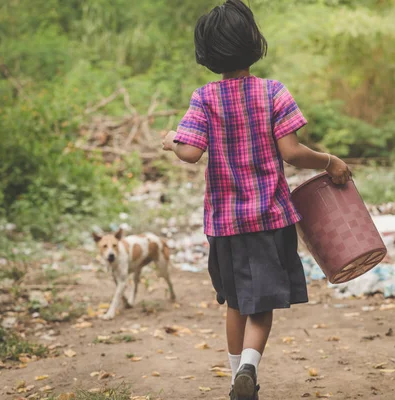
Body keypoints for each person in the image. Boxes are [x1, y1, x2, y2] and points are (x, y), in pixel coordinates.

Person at [162, 1, 350, 398]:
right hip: (270, 219)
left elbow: (191, 153)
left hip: (225, 223)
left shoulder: (204, 98)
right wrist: (330, 161)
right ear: (253, 43)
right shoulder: (273, 92)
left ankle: (236, 379)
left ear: (207, 53)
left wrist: (172, 142)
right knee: (260, 303)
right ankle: (250, 366)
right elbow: (293, 153)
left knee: (234, 302)